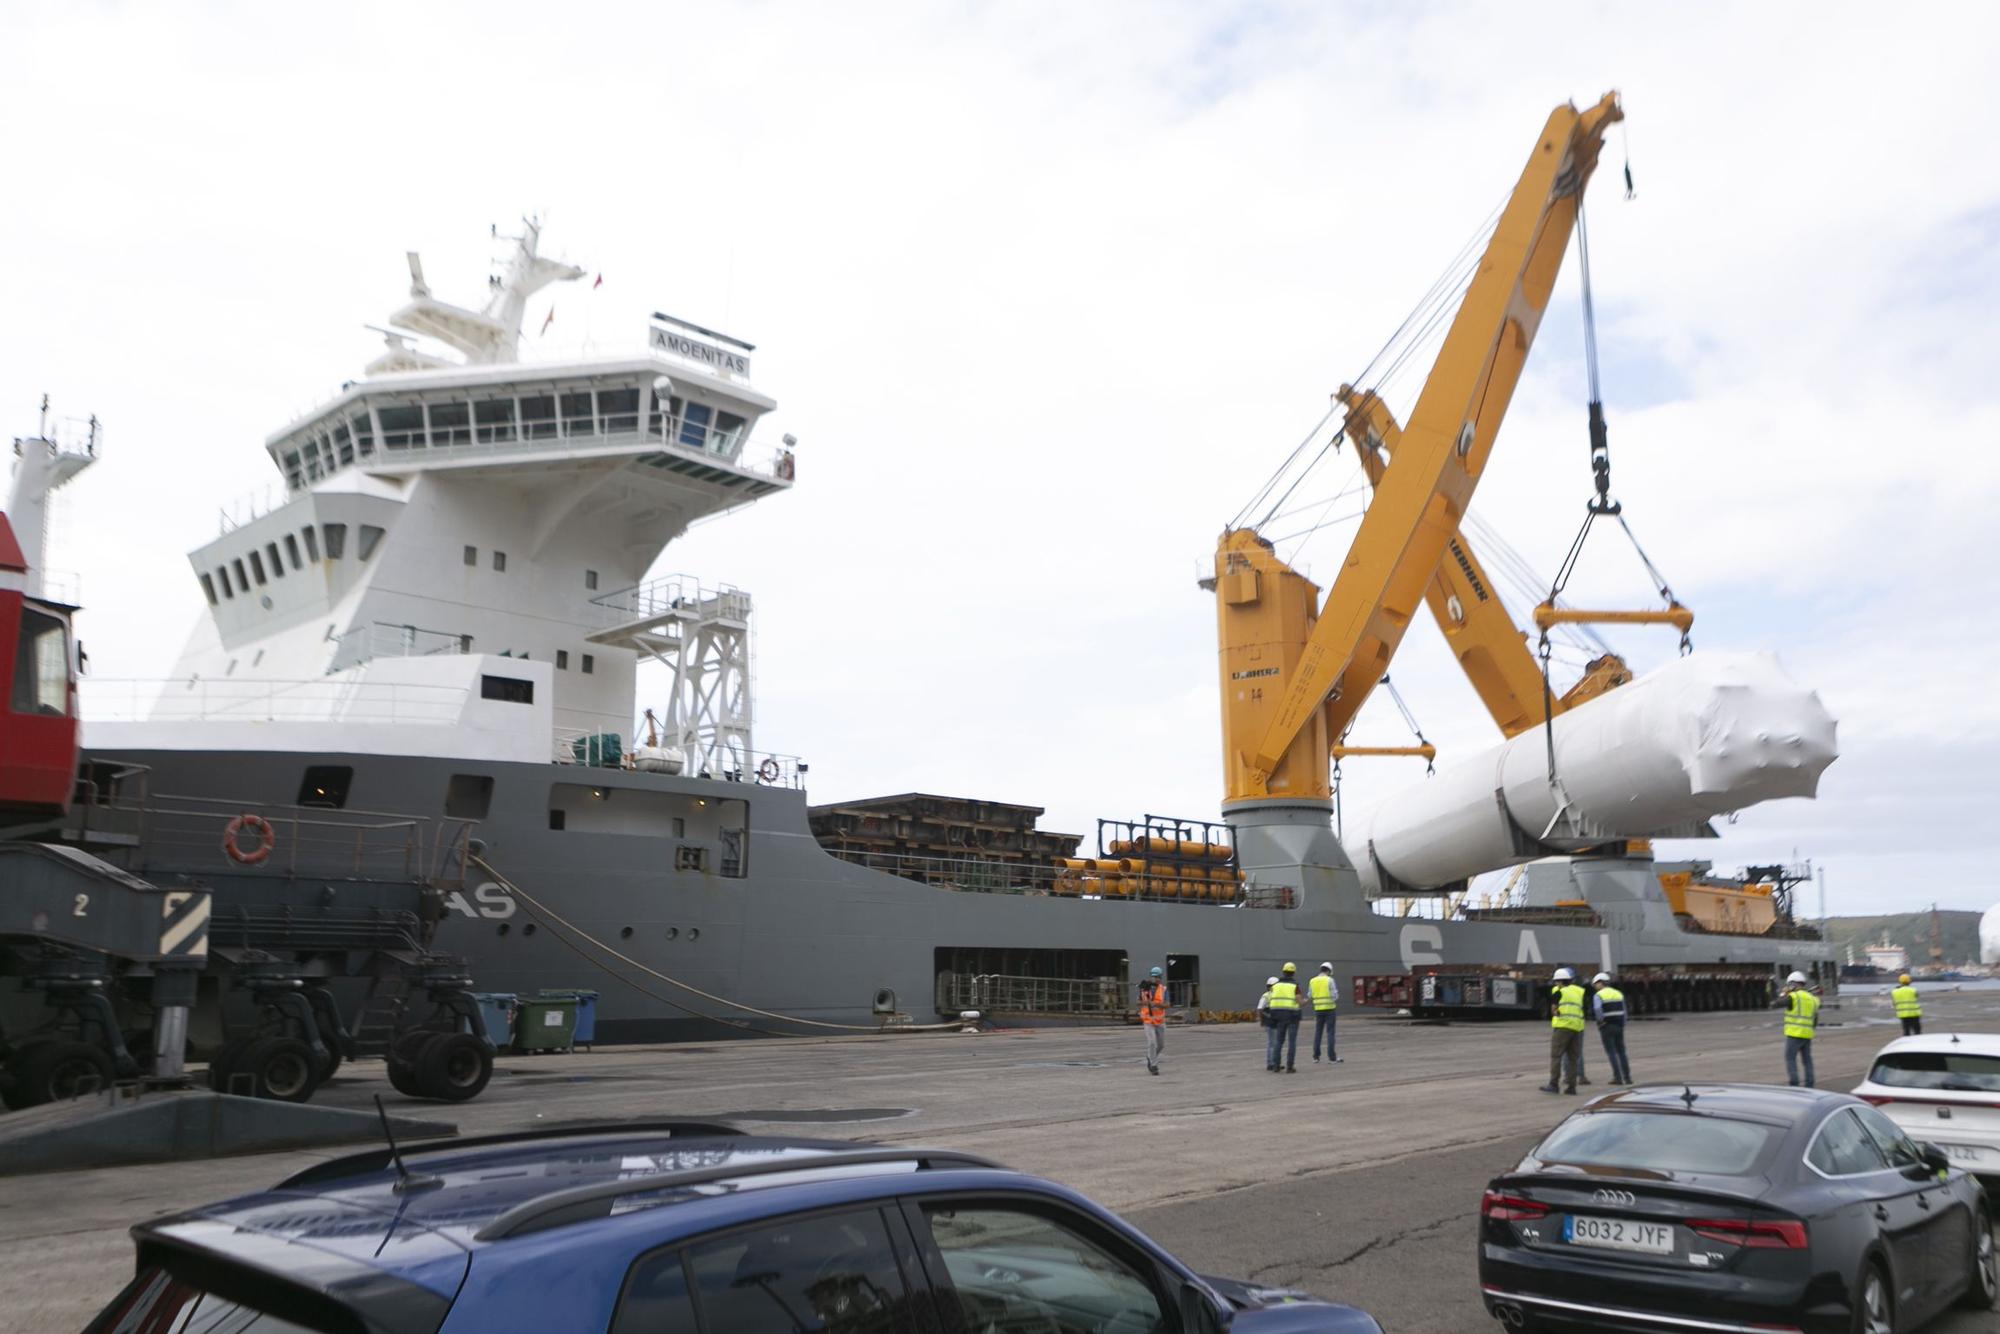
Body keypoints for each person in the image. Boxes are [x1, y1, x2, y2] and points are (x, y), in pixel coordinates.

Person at [1540, 967, 1587, 1095]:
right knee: (1573, 1058)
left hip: (1562, 1028)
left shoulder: (1559, 992)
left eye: (1556, 981)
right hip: (1577, 1028)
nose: (1555, 984)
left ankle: (1553, 1084)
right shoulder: (1579, 991)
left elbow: (1554, 1010)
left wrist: (1558, 1013)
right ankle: (1571, 1087)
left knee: (1556, 1056)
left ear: (1560, 981)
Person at [1591, 971, 1631, 1085]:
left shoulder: (1598, 995)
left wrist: (1600, 1021)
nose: (1595, 986)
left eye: (1595, 984)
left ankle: (1617, 1077)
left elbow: (1598, 1010)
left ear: (1600, 983)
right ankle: (1627, 1077)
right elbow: (1624, 1011)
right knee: (1622, 1052)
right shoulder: (1618, 993)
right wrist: (1623, 1023)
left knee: (1611, 1053)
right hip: (1619, 1025)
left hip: (1607, 1026)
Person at [1782, 971, 1820, 1087]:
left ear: (1793, 984)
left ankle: (1794, 1083)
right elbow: (1815, 1020)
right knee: (1807, 1060)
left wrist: (1784, 993)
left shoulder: (1793, 997)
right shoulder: (1813, 999)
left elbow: (1775, 1003)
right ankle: (1810, 1083)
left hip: (1794, 1034)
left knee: (1790, 1059)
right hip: (1807, 1035)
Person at [1266, 963, 1302, 1072]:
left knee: (1278, 1041)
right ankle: (1290, 1067)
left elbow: (1270, 1000)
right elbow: (1299, 1001)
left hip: (1278, 1016)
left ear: (1283, 972)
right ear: (1294, 973)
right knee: (1292, 1042)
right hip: (1292, 1017)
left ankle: (1276, 1066)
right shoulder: (1295, 986)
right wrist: (1306, 1001)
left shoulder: (1275, 986)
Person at [1309, 962, 1342, 1064]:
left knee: (1318, 1033)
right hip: (1329, 1009)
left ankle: (1316, 1057)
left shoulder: (1312, 980)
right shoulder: (1329, 980)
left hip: (1318, 1010)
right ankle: (1332, 1058)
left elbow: (1310, 995)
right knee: (1330, 1033)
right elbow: (1334, 996)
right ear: (1329, 971)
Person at [1139, 966, 1168, 1076]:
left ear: (1160, 978)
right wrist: (1144, 1001)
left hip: (1160, 1022)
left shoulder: (1164, 989)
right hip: (1148, 1021)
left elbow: (1168, 1004)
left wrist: (1156, 1004)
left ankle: (1150, 1057)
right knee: (1152, 1043)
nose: (1155, 979)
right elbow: (1138, 1002)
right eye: (1153, 976)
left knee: (1161, 1045)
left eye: (1157, 977)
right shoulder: (1144, 989)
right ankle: (1153, 1065)